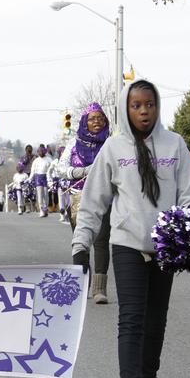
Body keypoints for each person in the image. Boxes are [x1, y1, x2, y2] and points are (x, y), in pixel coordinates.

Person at [72, 79, 190, 378]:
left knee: (156, 319)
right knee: (131, 319)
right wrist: (81, 245)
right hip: (127, 243)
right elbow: (93, 200)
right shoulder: (113, 149)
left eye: (150, 104)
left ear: (157, 107)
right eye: (136, 105)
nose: (144, 111)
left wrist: (188, 230)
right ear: (125, 110)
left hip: (166, 245)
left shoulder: (174, 144)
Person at [59, 102, 112, 303]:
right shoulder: (74, 143)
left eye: (100, 118)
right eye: (92, 119)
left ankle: (99, 289)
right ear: (85, 122)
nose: (96, 122)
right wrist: (79, 172)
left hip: (104, 196)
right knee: (80, 241)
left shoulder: (110, 143)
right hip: (78, 196)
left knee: (101, 239)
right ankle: (81, 286)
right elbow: (61, 168)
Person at [30, 144, 53, 218]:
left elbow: (52, 169)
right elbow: (32, 171)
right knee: (39, 195)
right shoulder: (36, 160)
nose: (40, 153)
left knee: (46, 194)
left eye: (41, 151)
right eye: (38, 151)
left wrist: (51, 179)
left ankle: (45, 208)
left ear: (44, 151)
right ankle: (41, 210)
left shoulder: (49, 159)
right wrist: (30, 178)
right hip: (38, 177)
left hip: (46, 177)